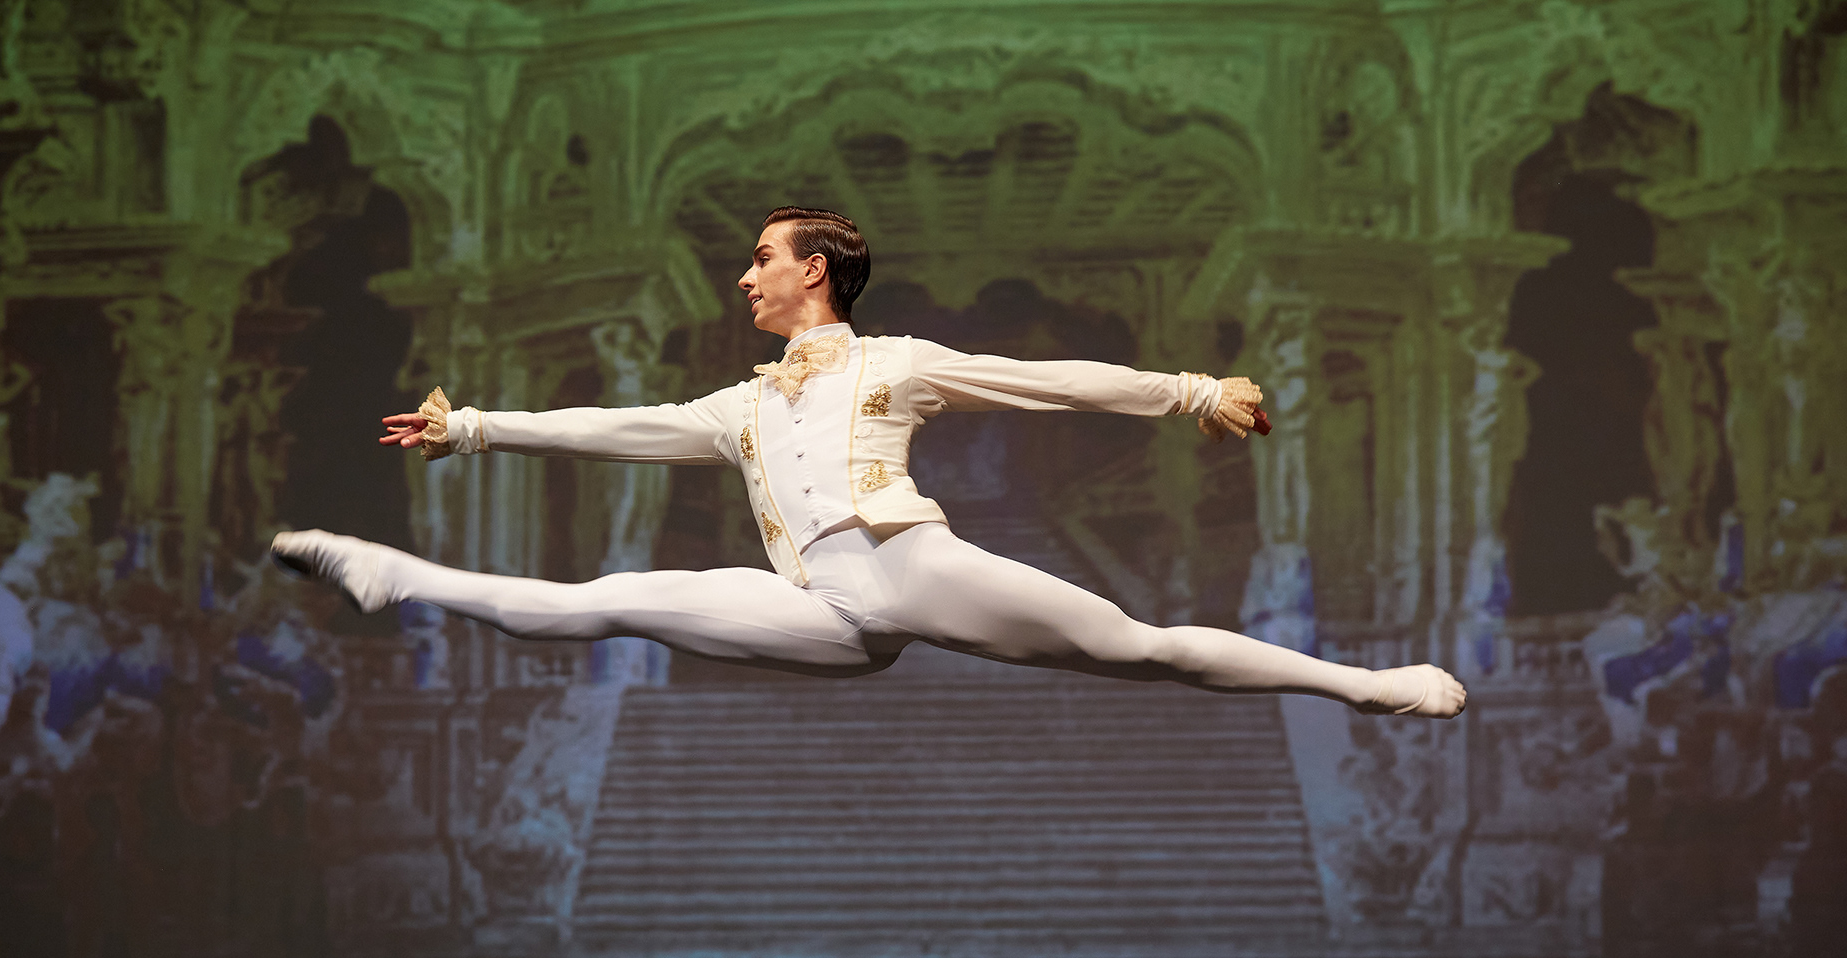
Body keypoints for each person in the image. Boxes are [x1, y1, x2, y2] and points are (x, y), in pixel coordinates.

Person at [273, 206, 1465, 717]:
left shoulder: (897, 361)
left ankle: (1369, 686)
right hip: (822, 611)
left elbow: (1050, 383)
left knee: (1141, 650)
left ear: (814, 270)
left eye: (762, 258)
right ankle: (393, 573)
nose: (745, 275)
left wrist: (1193, 392)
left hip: (907, 564)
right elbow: (619, 425)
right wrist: (475, 426)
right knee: (605, 603)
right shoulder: (741, 404)